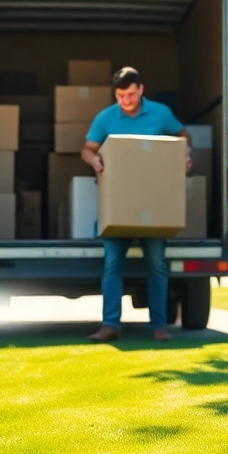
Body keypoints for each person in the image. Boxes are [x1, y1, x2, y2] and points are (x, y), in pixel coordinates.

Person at [82, 66, 192, 343]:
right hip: (117, 206)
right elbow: (87, 148)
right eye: (120, 95)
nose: (126, 101)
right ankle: (110, 325)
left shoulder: (160, 113)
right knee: (111, 266)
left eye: (130, 94)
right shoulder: (106, 118)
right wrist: (94, 161)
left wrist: (185, 153)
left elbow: (183, 135)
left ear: (141, 89)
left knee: (156, 265)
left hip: (154, 205)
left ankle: (158, 326)